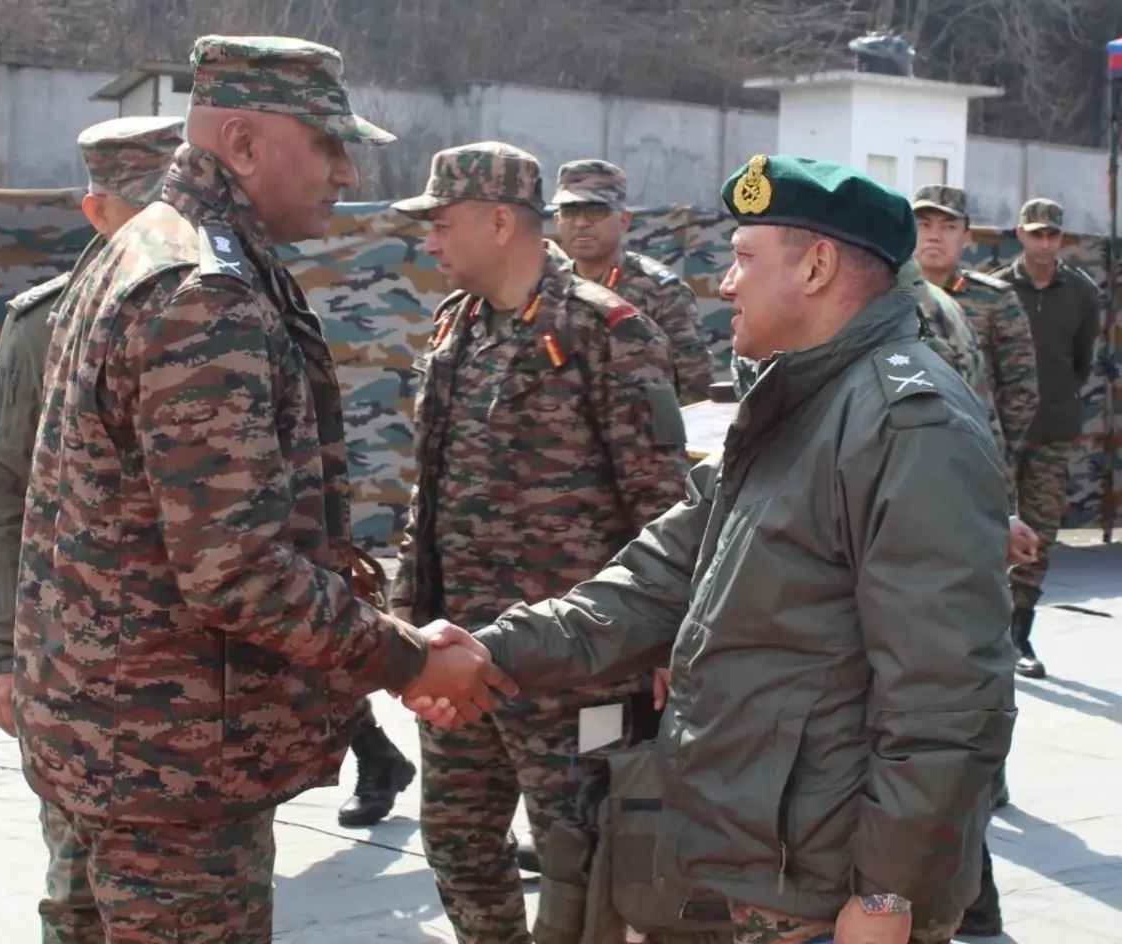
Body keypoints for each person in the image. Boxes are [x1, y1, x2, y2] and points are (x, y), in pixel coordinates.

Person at [412, 155, 1018, 944]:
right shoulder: (797, 401)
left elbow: (947, 701)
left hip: (824, 891)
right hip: (753, 860)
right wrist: (493, 651)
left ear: (818, 266)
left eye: (742, 260)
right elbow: (659, 574)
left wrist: (887, 900)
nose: (724, 286)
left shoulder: (908, 425)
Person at [12, 36, 515, 944]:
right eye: (327, 145)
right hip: (170, 772)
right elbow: (235, 570)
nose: (346, 170)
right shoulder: (201, 290)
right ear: (242, 143)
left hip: (109, 749)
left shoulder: (144, 251)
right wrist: (407, 661)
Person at [388, 140, 692, 944]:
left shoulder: (606, 331)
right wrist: (406, 619)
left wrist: (673, 640)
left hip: (578, 667)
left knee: (583, 852)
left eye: (441, 222)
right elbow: (432, 485)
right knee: (456, 843)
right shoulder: (456, 327)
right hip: (463, 655)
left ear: (497, 221)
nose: (430, 241)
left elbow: (664, 503)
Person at [0, 113, 184, 943]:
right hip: (69, 673)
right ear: (94, 211)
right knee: (77, 895)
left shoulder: (218, 306)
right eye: (140, 208)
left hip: (190, 690)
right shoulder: (42, 324)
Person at [991, 198, 1102, 679]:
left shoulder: (1080, 292)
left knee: (1039, 531)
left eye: (1052, 234)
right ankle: (981, 629)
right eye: (1035, 233)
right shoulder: (993, 289)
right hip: (993, 432)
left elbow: (1081, 361)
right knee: (983, 525)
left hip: (1052, 430)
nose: (1044, 241)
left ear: (1061, 238)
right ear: (1020, 234)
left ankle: (1020, 633)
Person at [550, 158, 715, 404]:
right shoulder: (547, 288)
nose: (581, 223)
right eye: (570, 211)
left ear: (624, 221)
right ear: (557, 222)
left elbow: (695, 388)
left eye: (596, 210)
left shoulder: (661, 291)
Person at [911, 185, 1039, 496]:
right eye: (923, 225)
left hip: (977, 463)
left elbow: (1021, 388)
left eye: (949, 227)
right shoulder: (885, 295)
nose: (934, 236)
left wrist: (991, 446)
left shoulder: (995, 299)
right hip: (906, 460)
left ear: (967, 237)